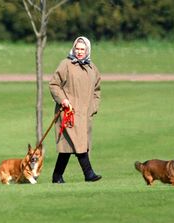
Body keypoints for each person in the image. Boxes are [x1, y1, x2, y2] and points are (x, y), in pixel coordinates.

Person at [49, 36, 102, 183]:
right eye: (77, 48)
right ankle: (88, 174)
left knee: (68, 147)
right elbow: (54, 84)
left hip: (85, 115)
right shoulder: (66, 64)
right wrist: (63, 100)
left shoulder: (92, 68)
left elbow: (97, 90)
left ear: (87, 50)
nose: (79, 52)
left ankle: (57, 176)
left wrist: (93, 107)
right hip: (68, 113)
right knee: (79, 144)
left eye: (82, 49)